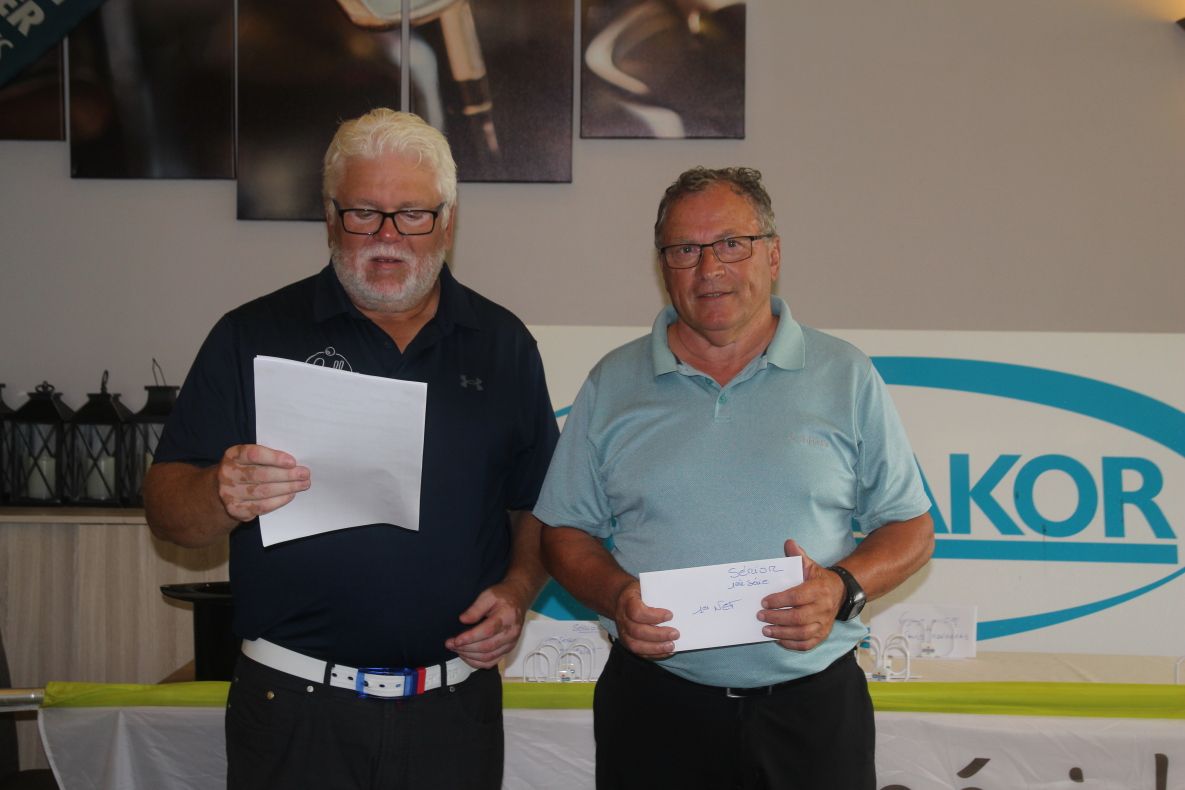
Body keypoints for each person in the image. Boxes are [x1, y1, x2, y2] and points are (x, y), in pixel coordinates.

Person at [143, 108, 558, 790]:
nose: (388, 237)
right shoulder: (251, 334)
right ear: (330, 218)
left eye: (412, 214)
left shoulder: (503, 344)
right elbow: (166, 510)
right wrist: (220, 492)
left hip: (454, 711)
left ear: (448, 221)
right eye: (364, 212)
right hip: (292, 710)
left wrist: (517, 589)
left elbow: (537, 504)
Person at [533, 166, 934, 789]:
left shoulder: (846, 375)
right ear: (663, 266)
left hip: (812, 711)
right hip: (655, 708)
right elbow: (563, 532)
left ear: (772, 255)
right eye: (685, 250)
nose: (709, 269)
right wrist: (616, 597)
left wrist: (842, 588)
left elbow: (911, 527)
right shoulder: (612, 383)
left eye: (731, 244)